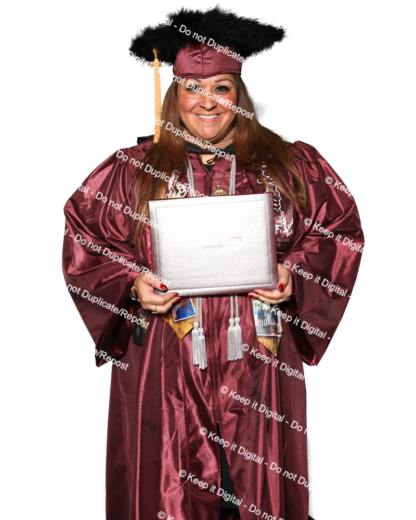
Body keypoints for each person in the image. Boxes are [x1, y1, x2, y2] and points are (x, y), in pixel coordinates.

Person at [61, 5, 365, 520]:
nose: (207, 101)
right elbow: (85, 242)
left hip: (259, 355)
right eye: (192, 88)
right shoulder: (129, 172)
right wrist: (132, 284)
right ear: (172, 95)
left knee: (262, 491)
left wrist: (295, 274)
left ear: (239, 95)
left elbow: (340, 232)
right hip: (165, 357)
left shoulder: (292, 165)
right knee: (168, 493)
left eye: (221, 87)